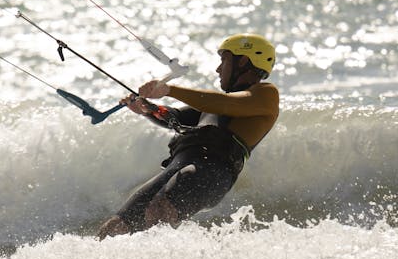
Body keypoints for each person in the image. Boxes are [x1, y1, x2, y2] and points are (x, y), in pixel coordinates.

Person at [96, 34, 280, 239]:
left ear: (243, 61)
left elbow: (229, 104)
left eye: (224, 61)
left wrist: (169, 89)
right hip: (177, 166)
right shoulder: (211, 106)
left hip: (211, 172)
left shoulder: (265, 94)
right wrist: (147, 109)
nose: (218, 69)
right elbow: (177, 116)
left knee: (159, 212)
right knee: (114, 227)